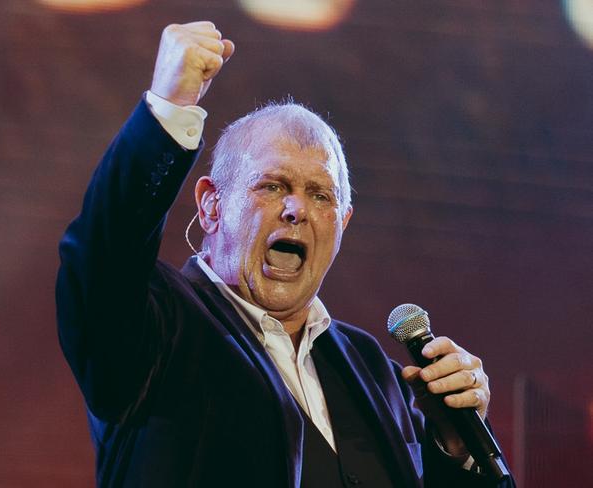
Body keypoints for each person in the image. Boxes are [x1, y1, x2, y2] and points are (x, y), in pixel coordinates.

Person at [56, 21, 514, 487]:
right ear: (212, 205)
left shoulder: (375, 370)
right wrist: (169, 110)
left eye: (321, 195)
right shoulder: (158, 325)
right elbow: (100, 257)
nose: (297, 209)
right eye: (273, 186)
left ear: (343, 224)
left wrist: (457, 454)